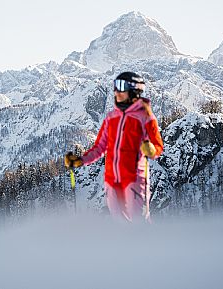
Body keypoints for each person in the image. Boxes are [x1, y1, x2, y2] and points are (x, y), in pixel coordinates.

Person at [64, 72, 163, 222]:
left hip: (134, 180)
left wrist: (151, 150)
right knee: (120, 227)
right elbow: (99, 148)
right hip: (111, 181)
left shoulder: (145, 117)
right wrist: (80, 160)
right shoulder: (111, 118)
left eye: (121, 87)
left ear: (134, 90)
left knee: (139, 225)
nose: (116, 91)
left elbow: (157, 147)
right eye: (115, 86)